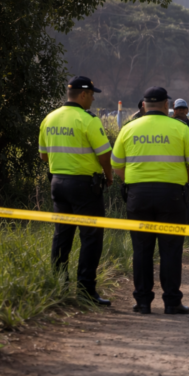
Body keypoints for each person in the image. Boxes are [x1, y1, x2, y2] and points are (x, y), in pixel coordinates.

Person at [111, 87, 189, 315]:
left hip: (138, 195)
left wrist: (133, 182)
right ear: (166, 105)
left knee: (141, 249)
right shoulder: (180, 128)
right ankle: (171, 302)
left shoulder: (129, 128)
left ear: (143, 106)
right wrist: (181, 181)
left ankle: (142, 302)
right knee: (171, 249)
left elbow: (116, 165)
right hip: (171, 195)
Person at [38, 76, 113, 306]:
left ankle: (59, 287)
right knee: (91, 237)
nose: (93, 99)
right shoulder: (88, 120)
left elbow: (43, 156)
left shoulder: (49, 118)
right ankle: (85, 291)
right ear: (83, 94)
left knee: (62, 235)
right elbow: (104, 155)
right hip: (84, 187)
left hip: (58, 184)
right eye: (91, 95)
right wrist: (109, 176)